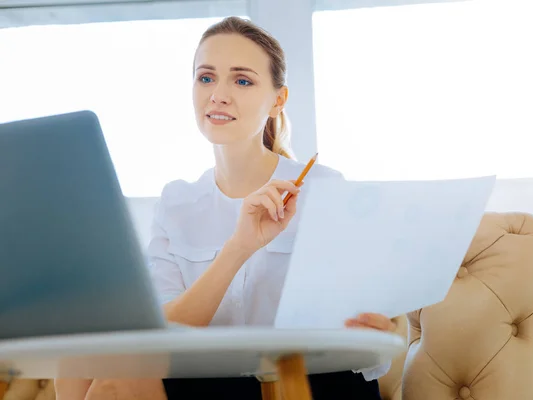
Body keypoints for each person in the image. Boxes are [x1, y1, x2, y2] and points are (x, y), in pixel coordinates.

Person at [55, 16, 397, 400]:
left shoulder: (323, 190)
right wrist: (239, 247)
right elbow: (163, 331)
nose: (217, 94)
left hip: (306, 381)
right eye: (206, 78)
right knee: (78, 366)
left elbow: (366, 333)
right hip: (211, 381)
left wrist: (377, 327)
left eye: (242, 80)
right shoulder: (177, 201)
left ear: (277, 100)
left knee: (114, 381)